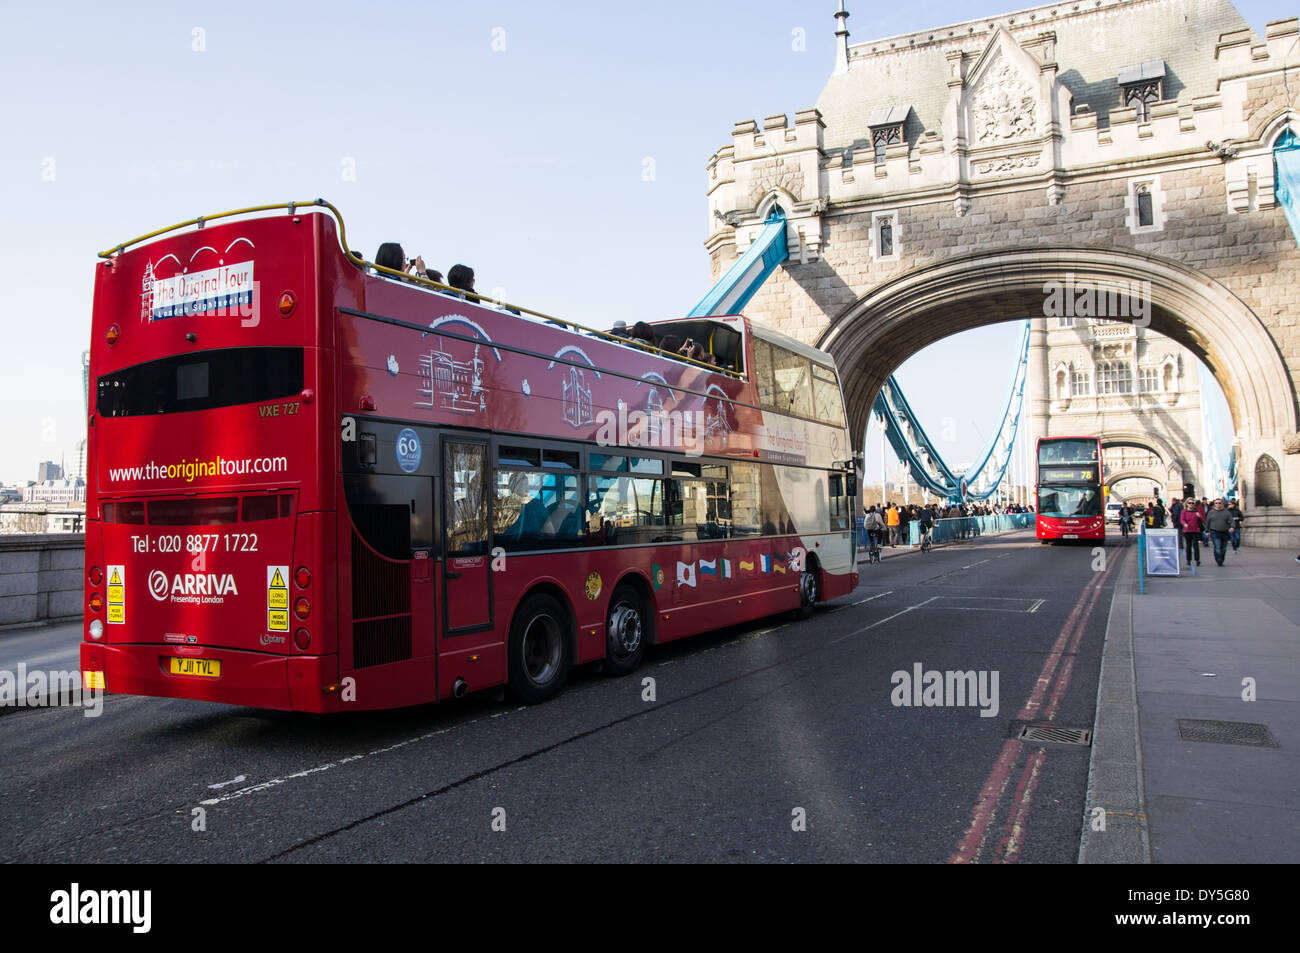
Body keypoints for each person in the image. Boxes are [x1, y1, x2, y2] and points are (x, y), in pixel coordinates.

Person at [1204, 499, 1235, 566]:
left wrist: (1232, 527)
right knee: (1217, 547)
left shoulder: (1226, 512)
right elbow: (1207, 522)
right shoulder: (1211, 512)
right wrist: (1207, 531)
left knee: (1223, 548)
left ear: (1222, 504)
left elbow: (1231, 521)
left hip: (1224, 532)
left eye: (1219, 503)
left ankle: (1222, 558)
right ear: (1214, 504)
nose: (1218, 504)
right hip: (1214, 532)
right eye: (1216, 503)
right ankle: (1218, 559)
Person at [1179, 499, 1203, 567]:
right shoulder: (1184, 511)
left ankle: (1197, 560)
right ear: (1187, 504)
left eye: (1192, 503)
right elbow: (1182, 519)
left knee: (1195, 545)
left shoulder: (1196, 511)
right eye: (1189, 503)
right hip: (1187, 530)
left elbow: (1202, 520)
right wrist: (1184, 524)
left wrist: (1199, 516)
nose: (1191, 504)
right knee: (1188, 545)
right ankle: (1188, 560)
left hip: (1195, 530)